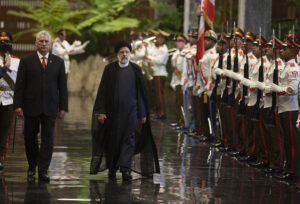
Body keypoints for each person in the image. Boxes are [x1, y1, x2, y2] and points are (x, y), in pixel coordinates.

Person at [91, 40, 160, 181]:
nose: (124, 54)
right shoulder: (109, 69)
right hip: (112, 113)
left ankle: (126, 169)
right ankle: (112, 167)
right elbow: (102, 91)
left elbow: (141, 93)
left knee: (129, 139)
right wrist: (101, 111)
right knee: (113, 140)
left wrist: (143, 113)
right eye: (121, 52)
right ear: (117, 54)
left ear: (130, 53)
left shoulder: (135, 69)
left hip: (131, 113)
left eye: (127, 52)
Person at [14, 30, 68, 182]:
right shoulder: (26, 61)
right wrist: (17, 105)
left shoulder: (58, 62)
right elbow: (20, 85)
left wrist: (63, 107)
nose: (44, 44)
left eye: (46, 42)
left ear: (50, 44)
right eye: (41, 41)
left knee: (48, 139)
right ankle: (32, 166)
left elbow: (62, 87)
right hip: (30, 105)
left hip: (51, 107)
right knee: (29, 138)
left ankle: (43, 170)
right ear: (36, 43)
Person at [0, 31, 19, 171]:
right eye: (1, 42)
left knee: (5, 131)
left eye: (6, 41)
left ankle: (0, 159)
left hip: (8, 99)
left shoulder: (18, 61)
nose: (4, 44)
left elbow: (20, 83)